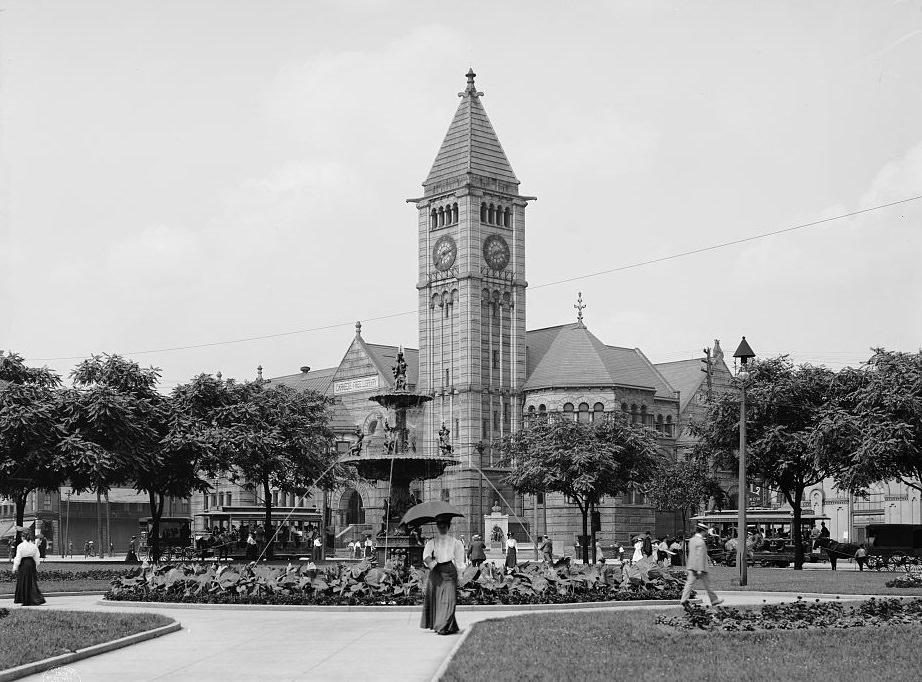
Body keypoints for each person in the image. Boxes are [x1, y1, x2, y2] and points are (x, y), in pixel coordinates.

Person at [420, 515, 464, 636]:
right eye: (440, 526)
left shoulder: (456, 543)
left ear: (448, 527)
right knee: (437, 599)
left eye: (444, 526)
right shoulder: (431, 542)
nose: (442, 528)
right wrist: (431, 562)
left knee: (450, 599)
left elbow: (460, 560)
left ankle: (443, 625)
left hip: (449, 572)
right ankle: (447, 625)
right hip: (436, 573)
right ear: (437, 527)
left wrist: (460, 575)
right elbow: (425, 556)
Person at [680, 524, 723, 607]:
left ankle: (683, 599)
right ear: (703, 531)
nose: (707, 533)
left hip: (692, 566)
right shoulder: (701, 542)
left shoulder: (692, 540)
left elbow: (692, 554)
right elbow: (699, 556)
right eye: (706, 531)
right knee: (708, 585)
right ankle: (714, 600)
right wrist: (699, 569)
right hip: (700, 568)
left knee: (689, 584)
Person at [12, 529, 45, 606]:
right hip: (31, 563)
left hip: (24, 564)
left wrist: (15, 567)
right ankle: (35, 598)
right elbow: (37, 556)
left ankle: (25, 599)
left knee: (24, 581)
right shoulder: (33, 546)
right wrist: (36, 565)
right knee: (32, 581)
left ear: (23, 537)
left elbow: (18, 557)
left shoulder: (20, 546)